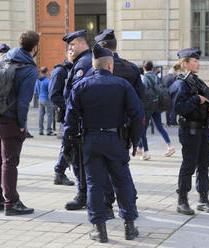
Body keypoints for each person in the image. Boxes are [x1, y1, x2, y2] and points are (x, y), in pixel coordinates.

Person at [63, 44, 143, 242]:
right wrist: (133, 140)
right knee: (122, 181)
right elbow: (137, 114)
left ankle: (99, 229)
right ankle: (130, 227)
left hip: (90, 140)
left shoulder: (80, 86)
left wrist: (68, 144)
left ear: (94, 65)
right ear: (110, 66)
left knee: (94, 184)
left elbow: (70, 119)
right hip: (116, 139)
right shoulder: (123, 85)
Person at [94, 29, 144, 213]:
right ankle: (129, 200)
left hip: (100, 128)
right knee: (121, 168)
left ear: (103, 47)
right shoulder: (131, 68)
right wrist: (135, 135)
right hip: (124, 128)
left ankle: (110, 202)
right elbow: (140, 101)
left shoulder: (97, 68)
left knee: (105, 169)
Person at [169, 48, 209, 215]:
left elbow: (207, 102)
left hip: (203, 128)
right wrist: (197, 99)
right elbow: (179, 107)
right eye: (195, 61)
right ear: (185, 63)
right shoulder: (180, 83)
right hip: (189, 129)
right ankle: (182, 200)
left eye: (198, 61)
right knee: (189, 165)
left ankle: (203, 199)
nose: (198, 63)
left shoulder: (196, 82)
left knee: (204, 165)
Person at [0, 30, 40, 215]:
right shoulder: (29, 69)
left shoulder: (4, 60)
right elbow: (24, 101)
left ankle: (1, 199)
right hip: (11, 120)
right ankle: (12, 203)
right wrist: (23, 124)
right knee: (10, 162)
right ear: (35, 47)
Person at [62, 30, 93, 210]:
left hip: (81, 122)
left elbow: (77, 95)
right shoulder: (81, 62)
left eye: (73, 45)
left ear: (82, 44)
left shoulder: (84, 63)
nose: (70, 49)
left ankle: (84, 195)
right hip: (79, 120)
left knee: (79, 160)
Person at [138, 61, 175, 160]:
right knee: (159, 127)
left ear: (144, 68)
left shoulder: (144, 78)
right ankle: (170, 145)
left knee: (143, 129)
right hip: (157, 105)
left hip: (148, 106)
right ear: (152, 68)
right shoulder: (156, 77)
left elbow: (143, 92)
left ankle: (143, 150)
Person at [48, 51, 75, 186]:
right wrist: (70, 106)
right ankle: (59, 172)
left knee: (72, 143)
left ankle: (61, 172)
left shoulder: (77, 68)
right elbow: (54, 95)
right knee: (68, 143)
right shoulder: (60, 71)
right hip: (67, 114)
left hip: (76, 114)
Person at [34, 67, 55, 136]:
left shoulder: (38, 81)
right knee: (49, 115)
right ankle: (48, 130)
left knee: (40, 115)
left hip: (40, 99)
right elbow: (51, 91)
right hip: (47, 99)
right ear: (46, 72)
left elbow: (36, 91)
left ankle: (40, 130)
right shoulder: (48, 81)